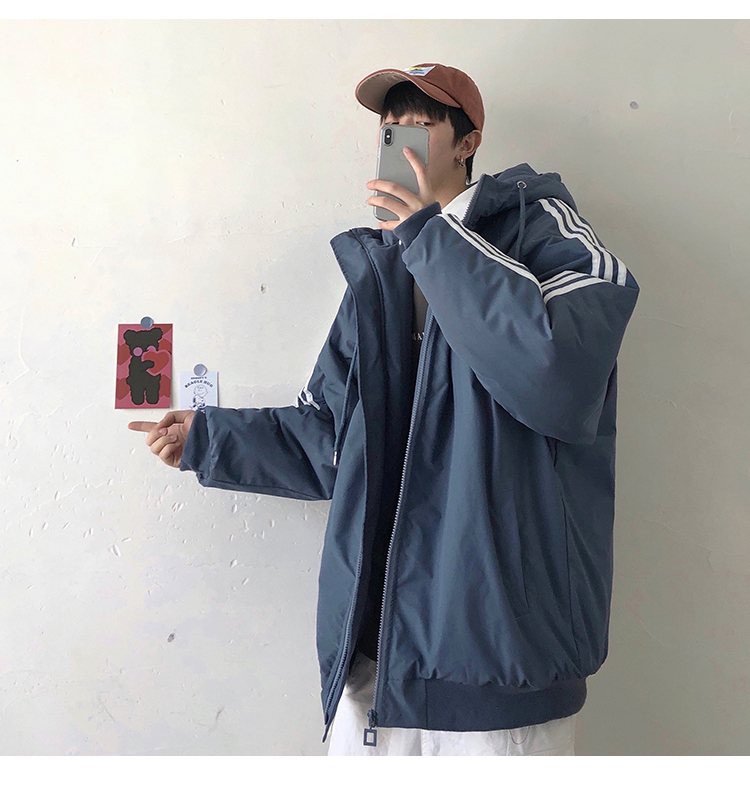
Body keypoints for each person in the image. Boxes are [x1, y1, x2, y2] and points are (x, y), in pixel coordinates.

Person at [129, 63, 640, 756]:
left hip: (504, 677)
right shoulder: (383, 270)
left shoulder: (545, 231)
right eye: (389, 129)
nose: (399, 143)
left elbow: (558, 375)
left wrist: (432, 237)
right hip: (376, 668)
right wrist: (209, 439)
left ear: (468, 142)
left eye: (419, 127)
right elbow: (333, 439)